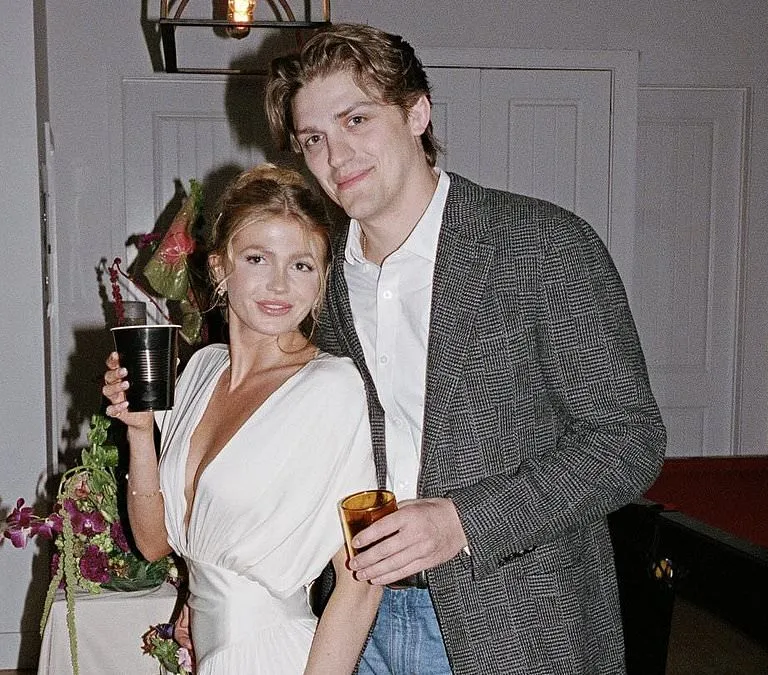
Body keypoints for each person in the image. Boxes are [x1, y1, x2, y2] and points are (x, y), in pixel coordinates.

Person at [264, 24, 667, 674]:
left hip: (516, 626)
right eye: (313, 138)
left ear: (416, 113)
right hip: (354, 616)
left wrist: (464, 522)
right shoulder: (322, 277)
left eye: (356, 119)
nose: (336, 155)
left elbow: (628, 441)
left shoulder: (543, 245)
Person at [103, 164, 383, 674]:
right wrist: (140, 432)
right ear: (219, 268)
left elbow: (362, 579)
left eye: (302, 265)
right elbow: (154, 543)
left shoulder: (336, 388)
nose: (279, 284)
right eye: (257, 258)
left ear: (322, 279)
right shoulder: (201, 370)